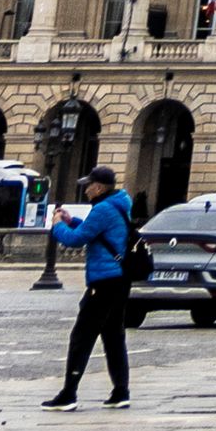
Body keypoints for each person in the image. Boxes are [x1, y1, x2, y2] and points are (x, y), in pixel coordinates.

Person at [48, 173, 139, 404]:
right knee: (113, 336)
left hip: (104, 280)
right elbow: (97, 233)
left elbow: (77, 239)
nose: (85, 190)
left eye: (88, 186)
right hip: (119, 279)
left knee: (82, 336)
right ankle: (121, 392)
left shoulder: (103, 209)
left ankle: (68, 394)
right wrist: (72, 221)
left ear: (98, 187)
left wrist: (57, 226)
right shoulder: (118, 203)